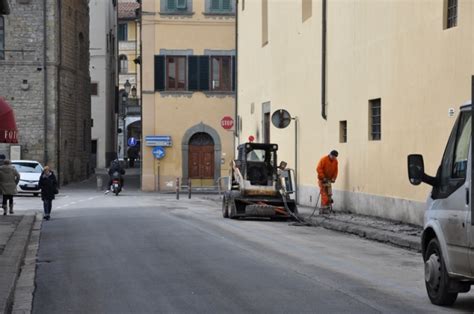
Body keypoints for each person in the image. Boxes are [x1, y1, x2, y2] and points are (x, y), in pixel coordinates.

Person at [316, 150, 339, 214]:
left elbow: (336, 171)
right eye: (333, 157)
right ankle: (323, 208)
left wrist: (334, 178)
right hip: (322, 180)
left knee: (329, 194)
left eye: (335, 157)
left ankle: (327, 207)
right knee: (324, 194)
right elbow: (318, 169)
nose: (334, 158)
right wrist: (323, 177)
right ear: (330, 155)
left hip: (328, 180)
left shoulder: (335, 161)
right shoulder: (323, 159)